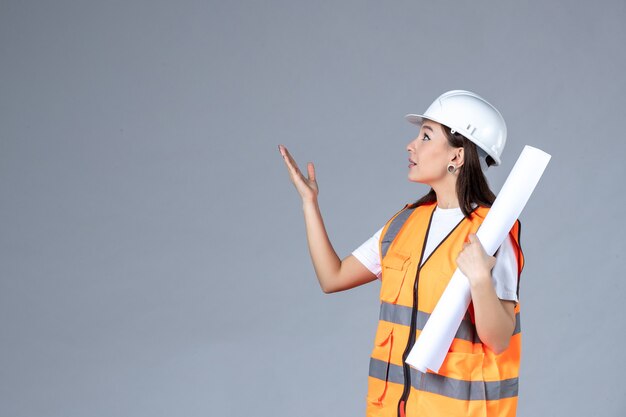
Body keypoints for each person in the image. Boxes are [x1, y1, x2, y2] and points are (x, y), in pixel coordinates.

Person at [278, 90, 524, 417]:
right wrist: (310, 204)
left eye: (426, 136)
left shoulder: (492, 232)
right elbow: (332, 277)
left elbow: (499, 339)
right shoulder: (404, 224)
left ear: (457, 156)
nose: (411, 145)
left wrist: (479, 278)